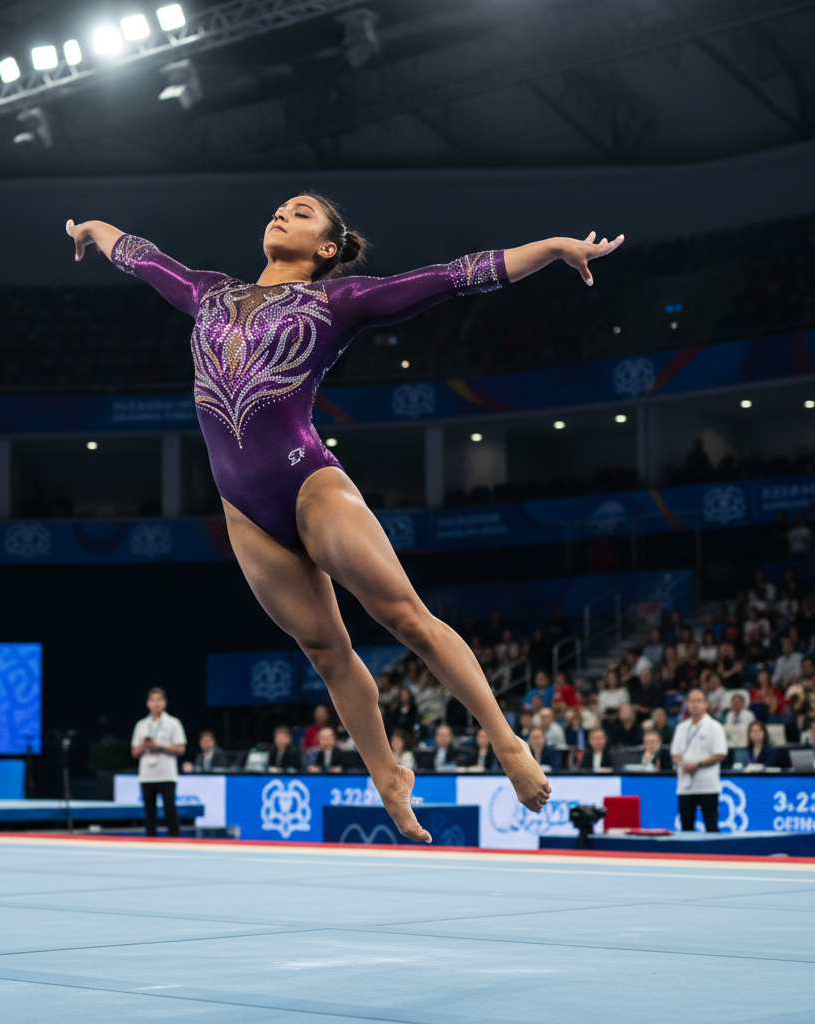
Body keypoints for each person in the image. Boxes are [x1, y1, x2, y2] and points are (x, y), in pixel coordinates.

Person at [66, 200, 621, 838]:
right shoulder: (210, 293)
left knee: (406, 619)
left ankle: (506, 741)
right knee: (325, 651)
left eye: (300, 213)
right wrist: (92, 230)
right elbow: (140, 255)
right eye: (280, 208)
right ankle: (387, 775)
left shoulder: (339, 301)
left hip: (309, 485)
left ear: (326, 248)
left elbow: (454, 276)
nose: (281, 213)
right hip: (243, 510)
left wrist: (553, 247)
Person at [131, 687, 187, 837]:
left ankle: (174, 841)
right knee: (149, 812)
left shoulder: (173, 723)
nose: (156, 703)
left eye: (159, 700)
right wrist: (144, 746)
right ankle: (150, 842)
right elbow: (134, 752)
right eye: (153, 700)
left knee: (170, 810)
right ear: (148, 703)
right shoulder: (141, 725)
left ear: (164, 703)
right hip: (147, 775)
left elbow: (181, 748)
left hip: (166, 774)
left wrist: (160, 746)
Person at [671, 688, 728, 833]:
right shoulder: (681, 727)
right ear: (687, 705)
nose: (695, 704)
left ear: (705, 704)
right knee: (686, 827)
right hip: (685, 785)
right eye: (691, 701)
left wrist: (697, 764)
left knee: (711, 826)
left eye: (698, 701)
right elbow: (675, 754)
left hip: (707, 785)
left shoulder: (714, 727)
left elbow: (720, 754)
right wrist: (683, 765)